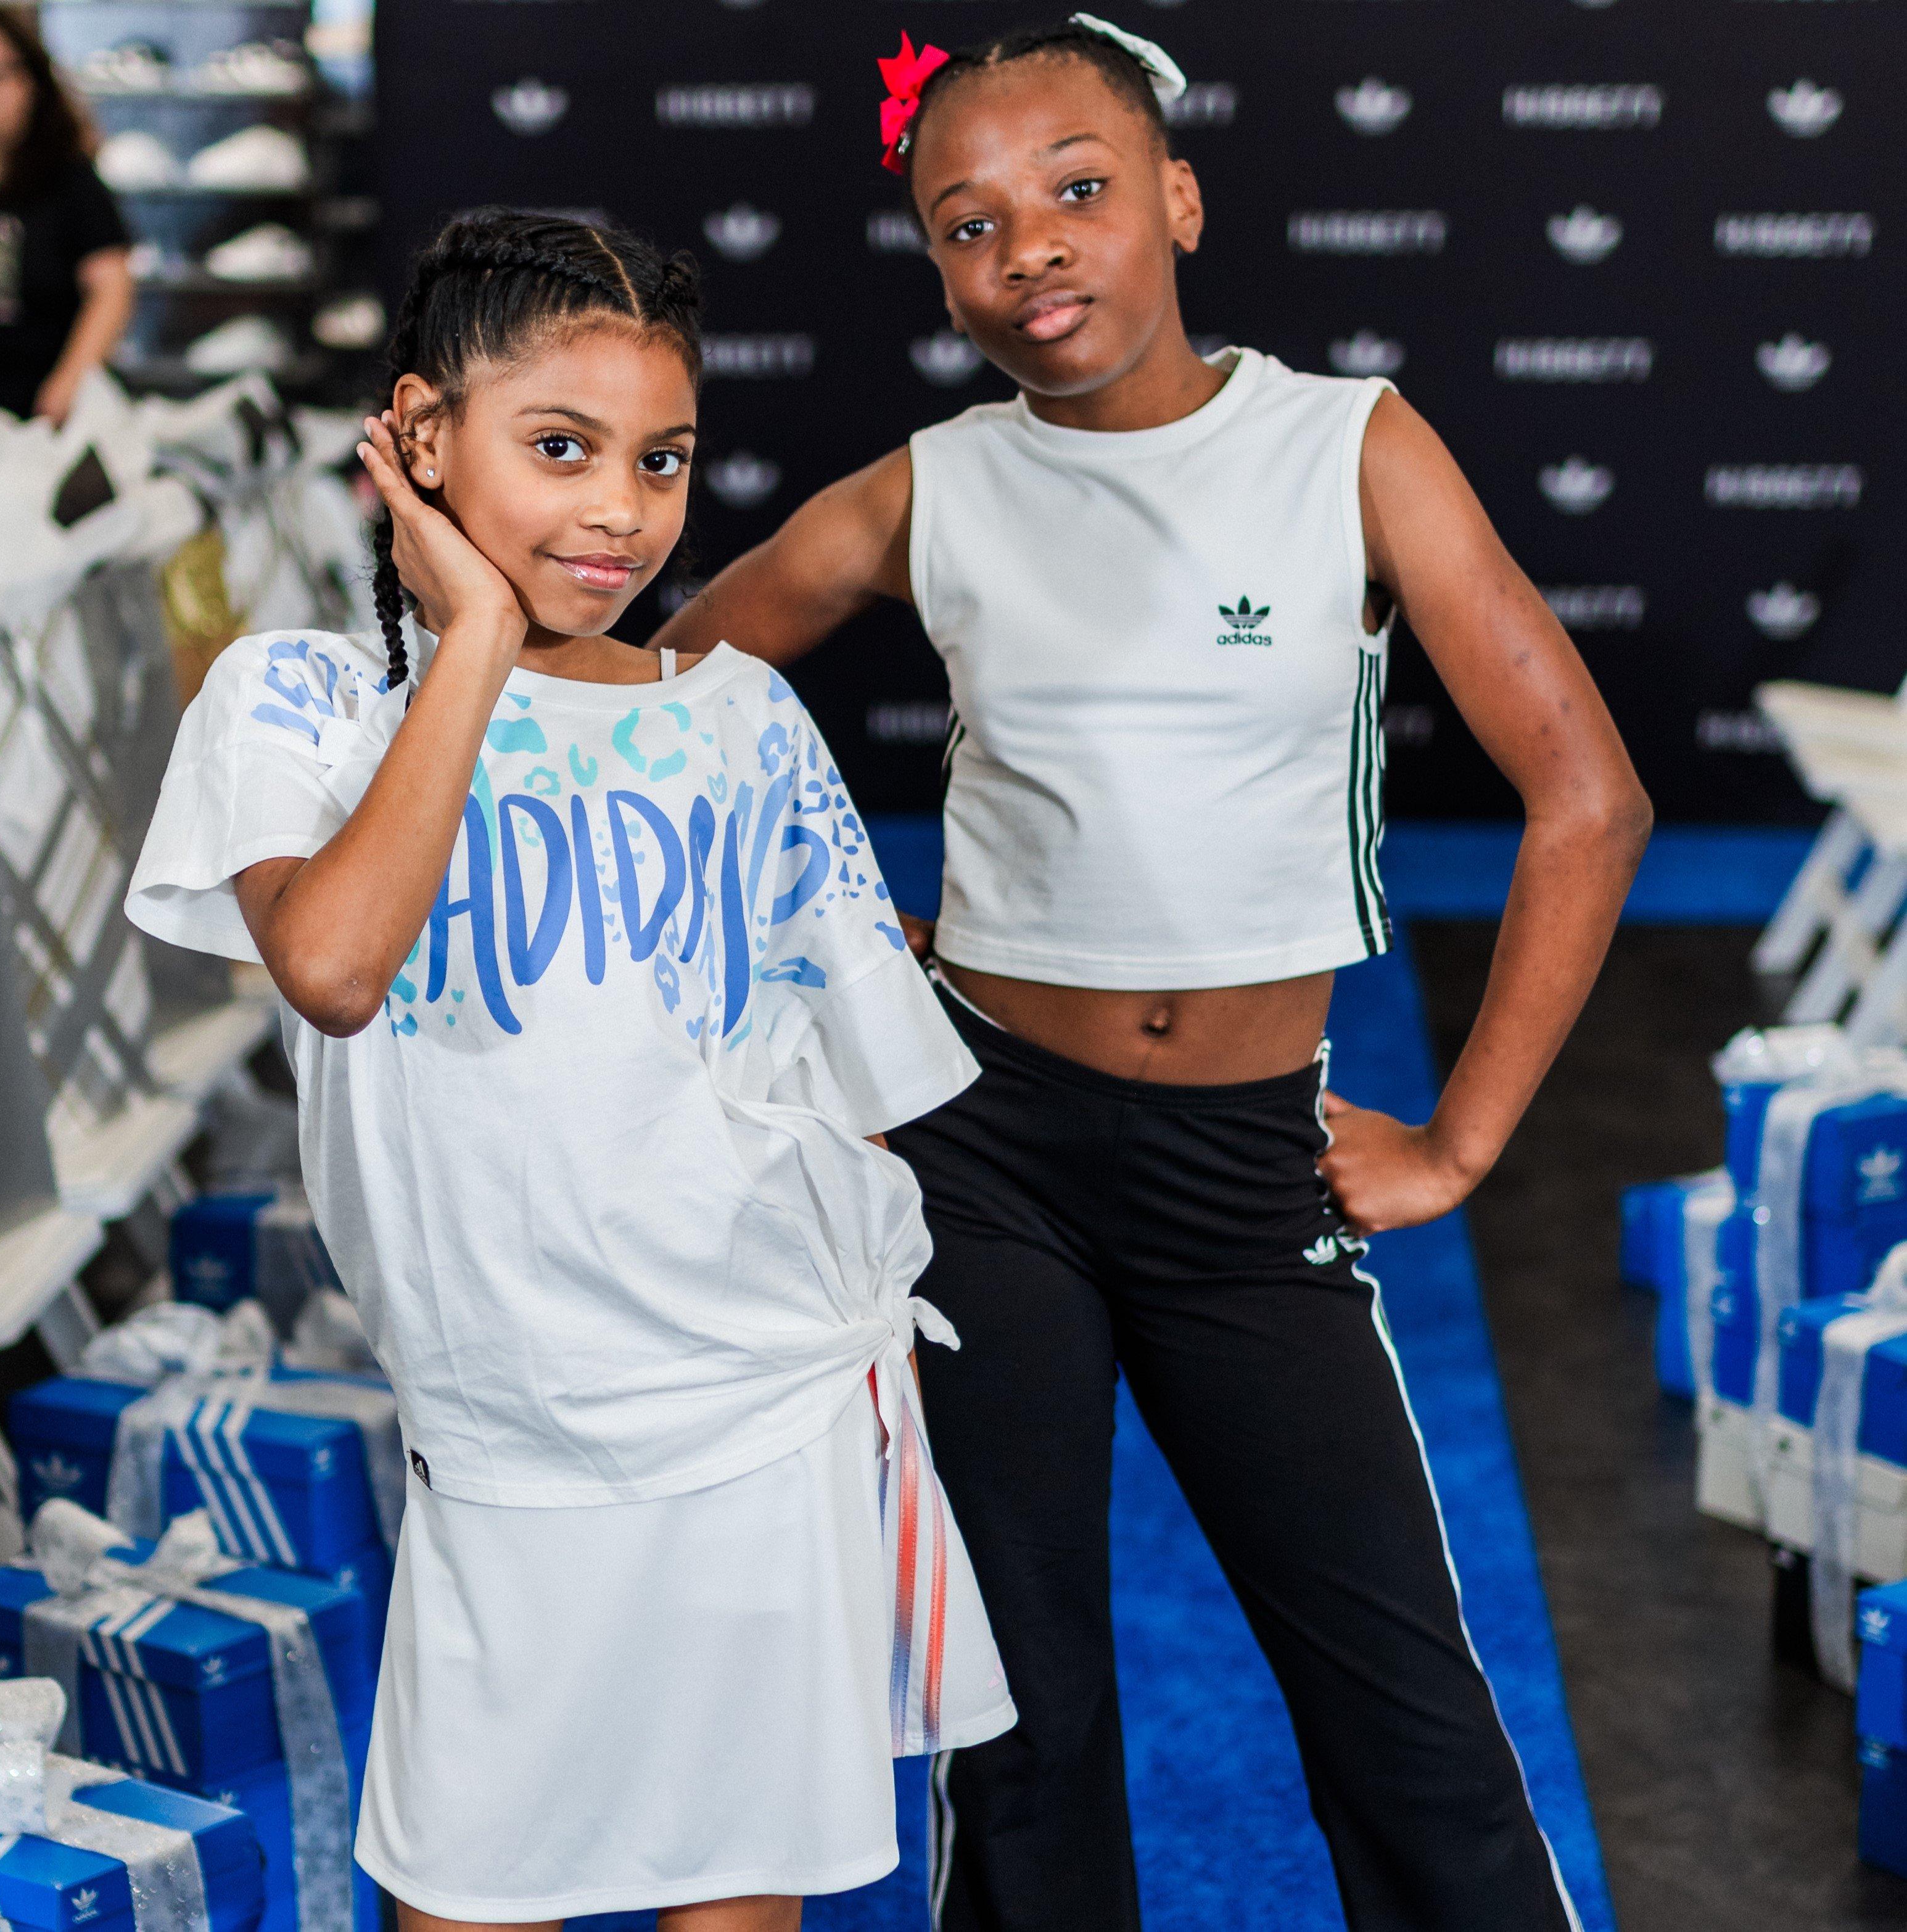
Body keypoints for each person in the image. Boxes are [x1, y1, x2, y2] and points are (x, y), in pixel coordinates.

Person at [652, 17, 1652, 1931]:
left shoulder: (1347, 445)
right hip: (981, 1151)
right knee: (1014, 1727)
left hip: (1240, 1173)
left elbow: (1586, 803)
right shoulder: (933, 487)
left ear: (1177, 201)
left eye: (1078, 192)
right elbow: (678, 689)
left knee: (1406, 1714)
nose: (1029, 250)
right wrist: (850, 938)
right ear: (938, 267)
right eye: (971, 223)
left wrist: (1458, 1146)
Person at [125, 208, 1015, 1932]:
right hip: (503, 1432)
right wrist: (464, 634)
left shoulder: (734, 712)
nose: (622, 508)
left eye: (662, 459)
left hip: (758, 1406)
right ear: (417, 434)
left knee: (734, 1896)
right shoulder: (296, 699)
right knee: (468, 1887)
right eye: (559, 449)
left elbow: (868, 1082)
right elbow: (332, 964)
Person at [0, 6, 131, 421]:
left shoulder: (67, 182)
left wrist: (71, 382)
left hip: (43, 420)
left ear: (31, 84)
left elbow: (111, 286)